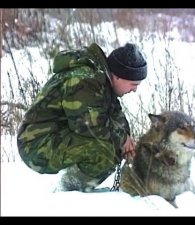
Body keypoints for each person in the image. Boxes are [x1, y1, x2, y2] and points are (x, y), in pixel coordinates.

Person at [17, 42, 147, 191]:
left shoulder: (103, 83)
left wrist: (127, 141)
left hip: (57, 134)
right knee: (106, 152)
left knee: (113, 145)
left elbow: (116, 119)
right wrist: (121, 140)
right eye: (133, 83)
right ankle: (66, 190)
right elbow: (88, 126)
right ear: (118, 76)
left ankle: (73, 186)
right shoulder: (84, 80)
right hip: (35, 144)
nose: (135, 90)